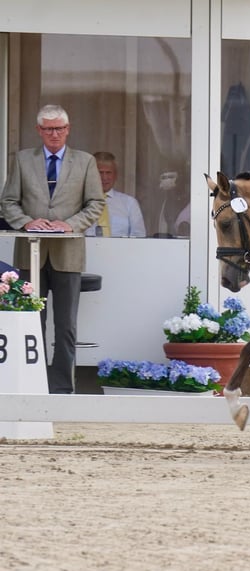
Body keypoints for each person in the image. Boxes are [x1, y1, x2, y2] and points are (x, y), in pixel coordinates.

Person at [0, 104, 104, 393]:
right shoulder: (22, 160)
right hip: (28, 254)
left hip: (67, 255)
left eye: (59, 128)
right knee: (31, 321)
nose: (54, 134)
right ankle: (32, 385)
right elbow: (8, 202)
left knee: (65, 326)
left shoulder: (84, 162)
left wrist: (70, 224)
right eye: (48, 129)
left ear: (68, 129)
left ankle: (60, 389)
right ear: (39, 131)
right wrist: (27, 222)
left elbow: (96, 203)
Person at [85, 151, 146, 237]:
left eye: (108, 173)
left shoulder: (129, 203)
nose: (104, 177)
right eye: (100, 172)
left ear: (115, 175)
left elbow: (139, 236)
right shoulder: (79, 202)